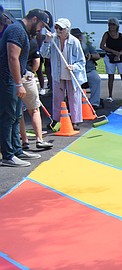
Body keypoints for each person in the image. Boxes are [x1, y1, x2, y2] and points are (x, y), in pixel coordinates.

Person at [0, 9, 49, 167]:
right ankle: (8, 154)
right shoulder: (16, 30)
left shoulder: (22, 31)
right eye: (41, 24)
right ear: (34, 19)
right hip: (8, 80)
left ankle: (17, 150)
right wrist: (18, 83)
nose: (40, 28)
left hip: (14, 79)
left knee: (16, 116)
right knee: (8, 117)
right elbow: (12, 57)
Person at [40, 17, 86, 131]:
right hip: (58, 74)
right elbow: (44, 54)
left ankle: (75, 121)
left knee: (74, 97)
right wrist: (46, 41)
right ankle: (56, 120)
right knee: (57, 98)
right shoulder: (53, 39)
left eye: (61, 28)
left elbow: (81, 60)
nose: (58, 30)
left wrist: (74, 67)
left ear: (67, 29)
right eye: (56, 27)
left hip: (71, 74)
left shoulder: (74, 41)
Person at [19, 32, 53, 151]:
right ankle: (39, 139)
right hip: (27, 76)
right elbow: (36, 64)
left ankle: (24, 140)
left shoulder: (11, 41)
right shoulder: (32, 42)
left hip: (13, 78)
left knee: (19, 112)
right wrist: (31, 73)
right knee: (34, 109)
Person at [100, 17, 122, 102]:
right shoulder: (106, 34)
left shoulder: (121, 35)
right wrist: (113, 51)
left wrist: (119, 53)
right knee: (110, 76)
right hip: (110, 57)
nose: (111, 26)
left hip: (121, 57)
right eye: (110, 24)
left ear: (117, 26)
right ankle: (110, 95)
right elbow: (102, 46)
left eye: (113, 24)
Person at [71, 28, 101, 109]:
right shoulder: (70, 47)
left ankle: (94, 103)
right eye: (77, 36)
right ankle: (76, 103)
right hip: (76, 72)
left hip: (89, 70)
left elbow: (97, 56)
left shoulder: (86, 45)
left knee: (96, 79)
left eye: (80, 36)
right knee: (73, 82)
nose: (79, 38)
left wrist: (91, 56)